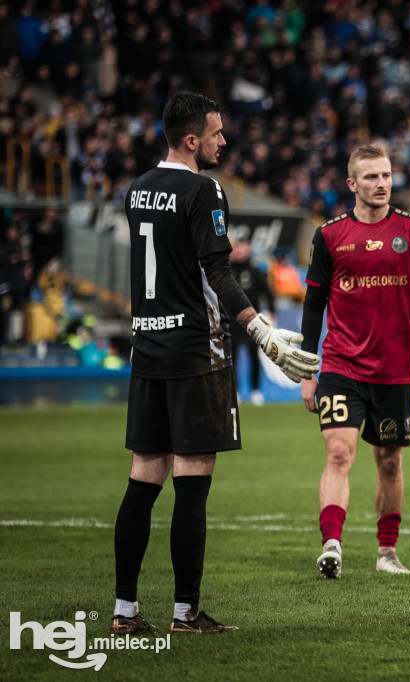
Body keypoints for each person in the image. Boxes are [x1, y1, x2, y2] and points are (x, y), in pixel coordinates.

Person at [114, 92, 320, 636]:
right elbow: (218, 273)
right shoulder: (204, 189)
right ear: (191, 140)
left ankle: (125, 611)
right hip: (196, 351)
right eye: (216, 133)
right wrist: (260, 330)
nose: (223, 141)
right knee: (192, 481)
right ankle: (185, 613)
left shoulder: (137, 191)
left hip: (147, 350)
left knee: (143, 479)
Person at [300, 144, 410, 580]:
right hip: (341, 364)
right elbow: (313, 305)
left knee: (389, 461)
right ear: (352, 184)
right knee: (339, 451)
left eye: (386, 176)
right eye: (371, 177)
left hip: (394, 370)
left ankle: (387, 552)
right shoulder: (329, 236)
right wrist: (309, 370)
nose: (381, 184)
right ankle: (332, 544)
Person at [229, 239, 276, 405]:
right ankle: (235, 392)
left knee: (253, 356)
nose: (239, 252)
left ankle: (255, 391)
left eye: (242, 248)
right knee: (231, 358)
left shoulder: (255, 271)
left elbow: (268, 293)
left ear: (248, 250)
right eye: (236, 248)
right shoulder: (225, 271)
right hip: (231, 322)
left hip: (251, 323)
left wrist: (272, 311)